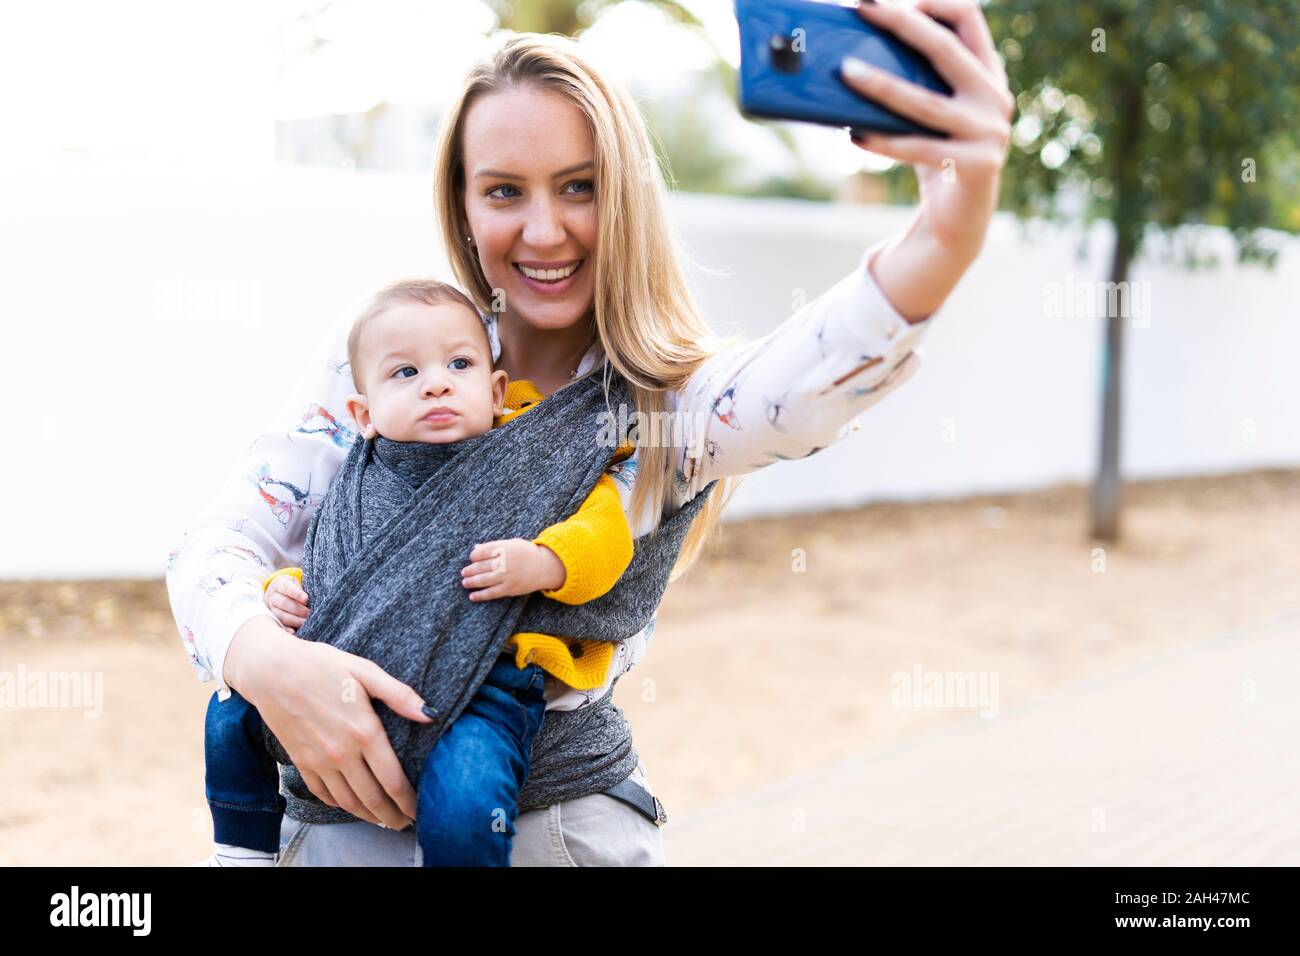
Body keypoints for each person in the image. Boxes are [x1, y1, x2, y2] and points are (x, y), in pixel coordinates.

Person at [166, 2, 1013, 866]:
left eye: (581, 186)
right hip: (324, 835)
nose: (544, 231)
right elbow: (214, 548)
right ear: (461, 206)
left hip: (550, 838)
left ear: (630, 196)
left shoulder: (663, 409)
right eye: (504, 190)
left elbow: (798, 387)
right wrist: (268, 665)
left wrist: (948, 231)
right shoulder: (383, 367)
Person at [198, 277, 636, 866]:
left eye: (459, 364)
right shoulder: (356, 478)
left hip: (486, 678)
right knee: (230, 710)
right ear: (363, 413)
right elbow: (335, 568)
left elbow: (607, 535)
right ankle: (241, 848)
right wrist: (283, 592)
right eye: (405, 373)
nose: (436, 383)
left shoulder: (538, 455)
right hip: (354, 660)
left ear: (496, 387)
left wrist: (546, 560)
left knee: (468, 795)